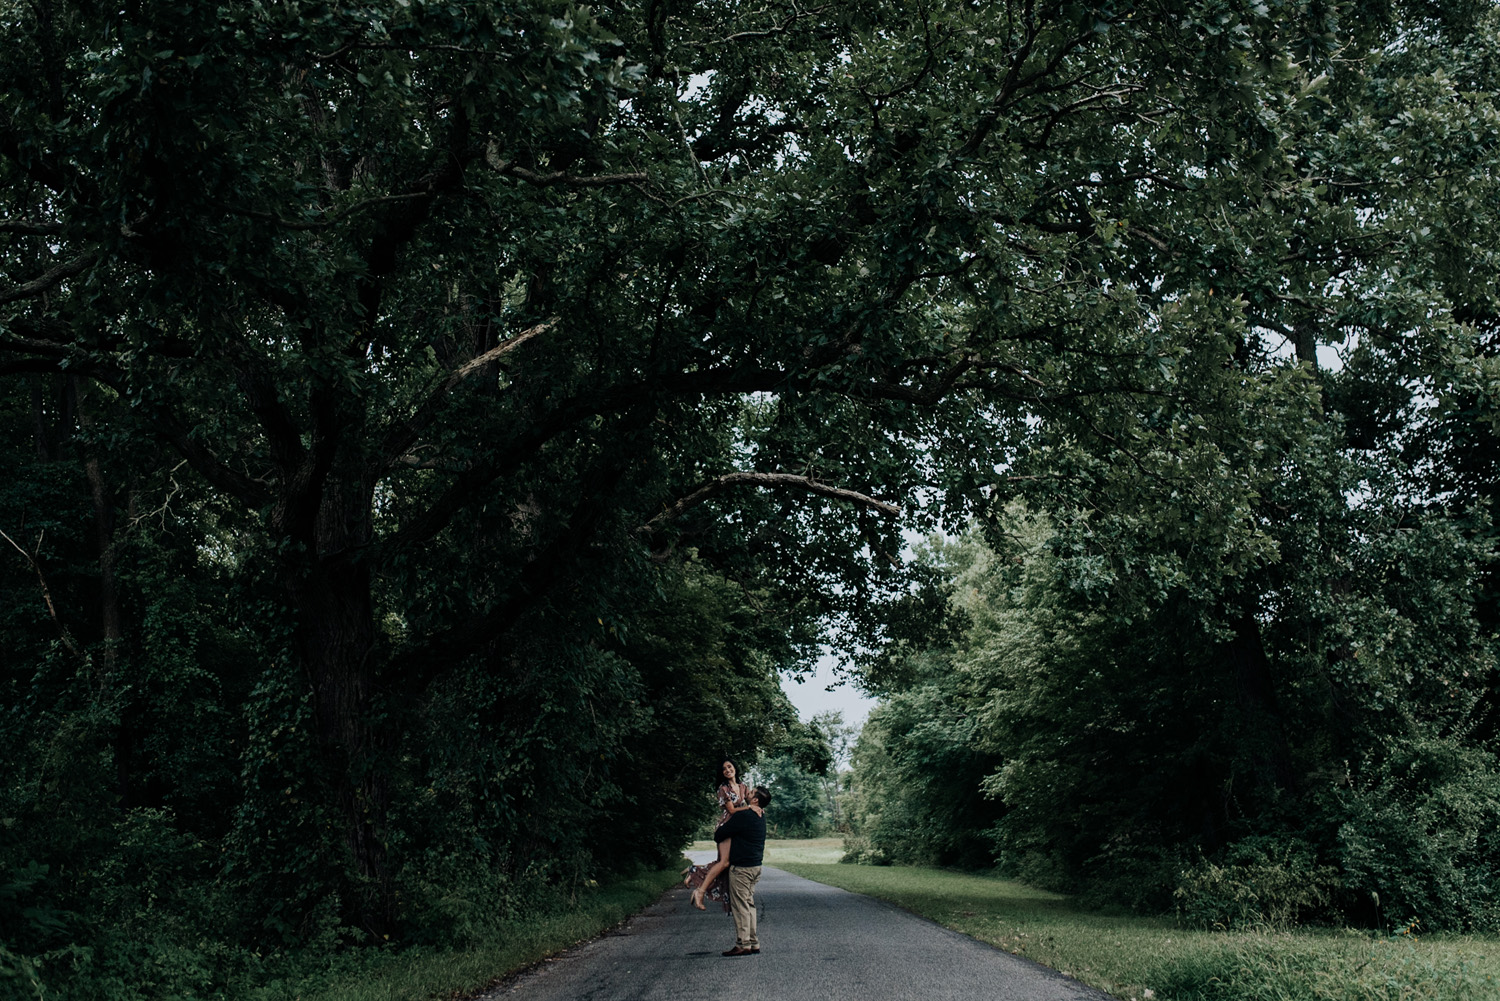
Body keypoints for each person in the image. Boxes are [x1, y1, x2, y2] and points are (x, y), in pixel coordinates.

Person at [686, 759, 755, 911]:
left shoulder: (743, 787)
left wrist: (755, 806)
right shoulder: (723, 788)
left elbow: (754, 801)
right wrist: (751, 808)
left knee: (726, 862)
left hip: (736, 827)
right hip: (726, 826)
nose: (727, 770)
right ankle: (700, 892)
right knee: (724, 862)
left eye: (729, 766)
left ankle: (695, 871)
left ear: (735, 768)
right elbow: (731, 810)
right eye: (724, 769)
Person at [715, 784, 769, 956]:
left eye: (751, 793)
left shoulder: (744, 815)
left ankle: (743, 943)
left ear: (755, 800)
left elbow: (719, 835)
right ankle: (753, 942)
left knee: (740, 906)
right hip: (755, 866)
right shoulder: (761, 816)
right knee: (749, 904)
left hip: (741, 868)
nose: (747, 793)